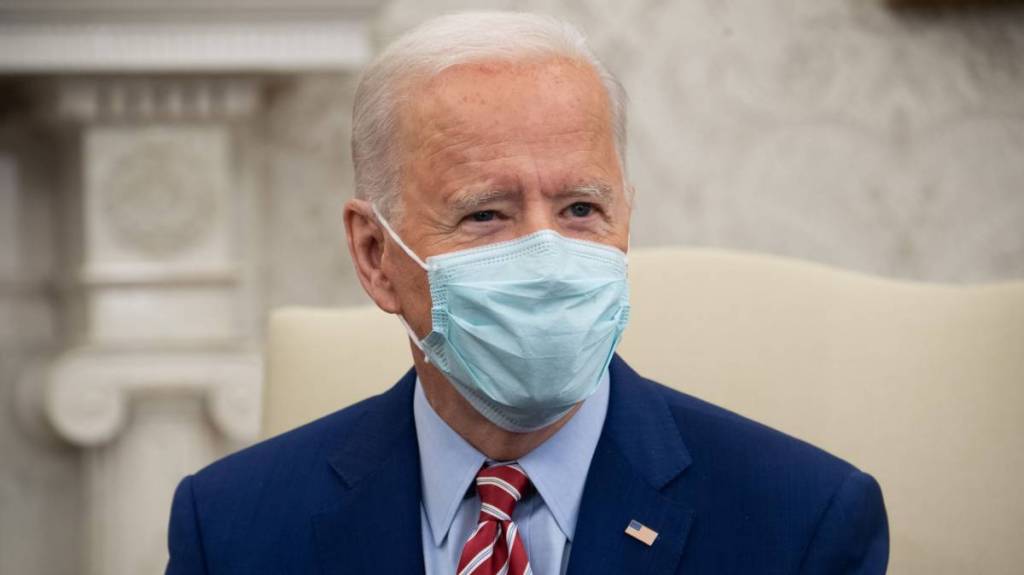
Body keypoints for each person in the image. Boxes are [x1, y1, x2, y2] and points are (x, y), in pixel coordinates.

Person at [165, 11, 888, 575]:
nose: (547, 258)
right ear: (376, 255)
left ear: (625, 220)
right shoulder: (231, 527)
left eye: (581, 209)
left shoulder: (802, 522)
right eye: (486, 214)